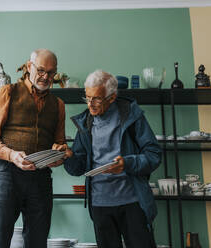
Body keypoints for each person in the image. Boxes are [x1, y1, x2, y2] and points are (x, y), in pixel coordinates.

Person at [0, 49, 72, 248]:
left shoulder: (59, 105)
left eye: (51, 72)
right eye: (41, 70)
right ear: (29, 67)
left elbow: (59, 144)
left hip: (41, 179)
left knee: (38, 241)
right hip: (7, 174)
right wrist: (12, 155)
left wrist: (60, 153)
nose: (46, 77)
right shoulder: (7, 92)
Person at [64, 70, 161, 248]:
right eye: (87, 97)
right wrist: (68, 157)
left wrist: (127, 163)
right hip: (100, 205)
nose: (90, 104)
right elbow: (77, 168)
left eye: (97, 99)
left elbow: (154, 154)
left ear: (112, 97)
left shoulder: (131, 116)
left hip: (132, 202)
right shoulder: (85, 123)